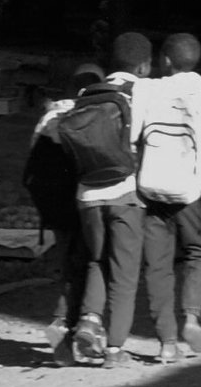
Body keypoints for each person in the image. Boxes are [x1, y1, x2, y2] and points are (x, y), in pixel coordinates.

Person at [135, 32, 201, 363]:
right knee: (198, 254)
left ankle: (166, 342)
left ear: (166, 61)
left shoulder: (149, 94)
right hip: (188, 194)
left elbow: (135, 137)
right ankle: (192, 318)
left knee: (157, 266)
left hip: (151, 192)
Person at [70, 33, 153, 367]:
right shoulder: (144, 92)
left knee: (97, 261)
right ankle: (115, 349)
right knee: (125, 273)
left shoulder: (87, 93)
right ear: (145, 64)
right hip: (124, 192)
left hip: (87, 194)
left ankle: (89, 320)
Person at [24, 64, 99, 363]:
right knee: (87, 264)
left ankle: (64, 332)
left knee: (67, 261)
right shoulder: (94, 111)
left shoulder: (50, 115)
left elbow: (32, 155)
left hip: (52, 201)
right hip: (83, 197)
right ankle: (68, 324)